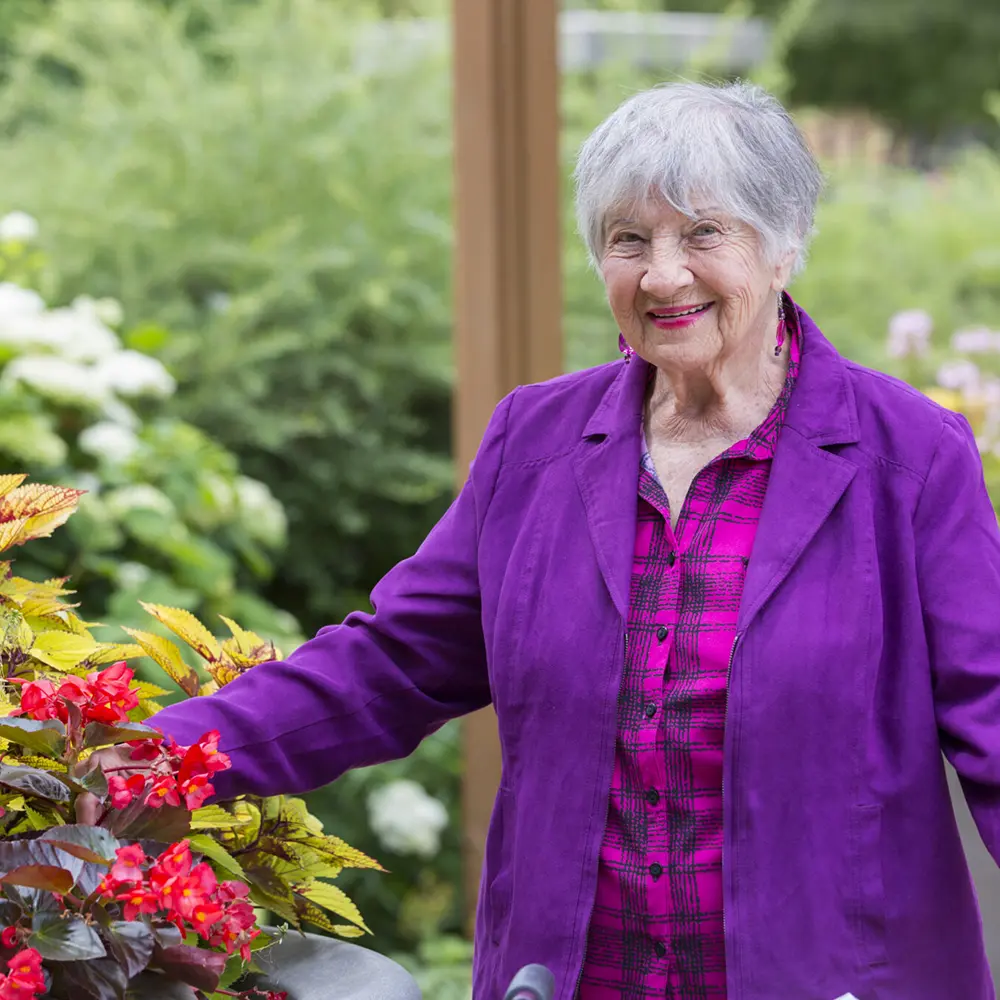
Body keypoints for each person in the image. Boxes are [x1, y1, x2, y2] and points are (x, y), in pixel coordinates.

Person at [134, 82, 1000, 999]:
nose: (664, 276)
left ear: (785, 246)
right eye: (628, 239)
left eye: (705, 233)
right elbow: (388, 665)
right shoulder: (536, 443)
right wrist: (142, 765)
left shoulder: (906, 459)